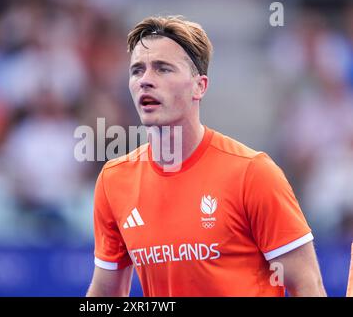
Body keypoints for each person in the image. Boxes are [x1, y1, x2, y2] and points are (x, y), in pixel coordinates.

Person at [86, 15, 326, 297]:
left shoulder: (253, 172)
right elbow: (106, 293)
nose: (146, 81)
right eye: (137, 70)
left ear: (200, 86)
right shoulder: (114, 181)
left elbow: (308, 286)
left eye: (163, 69)